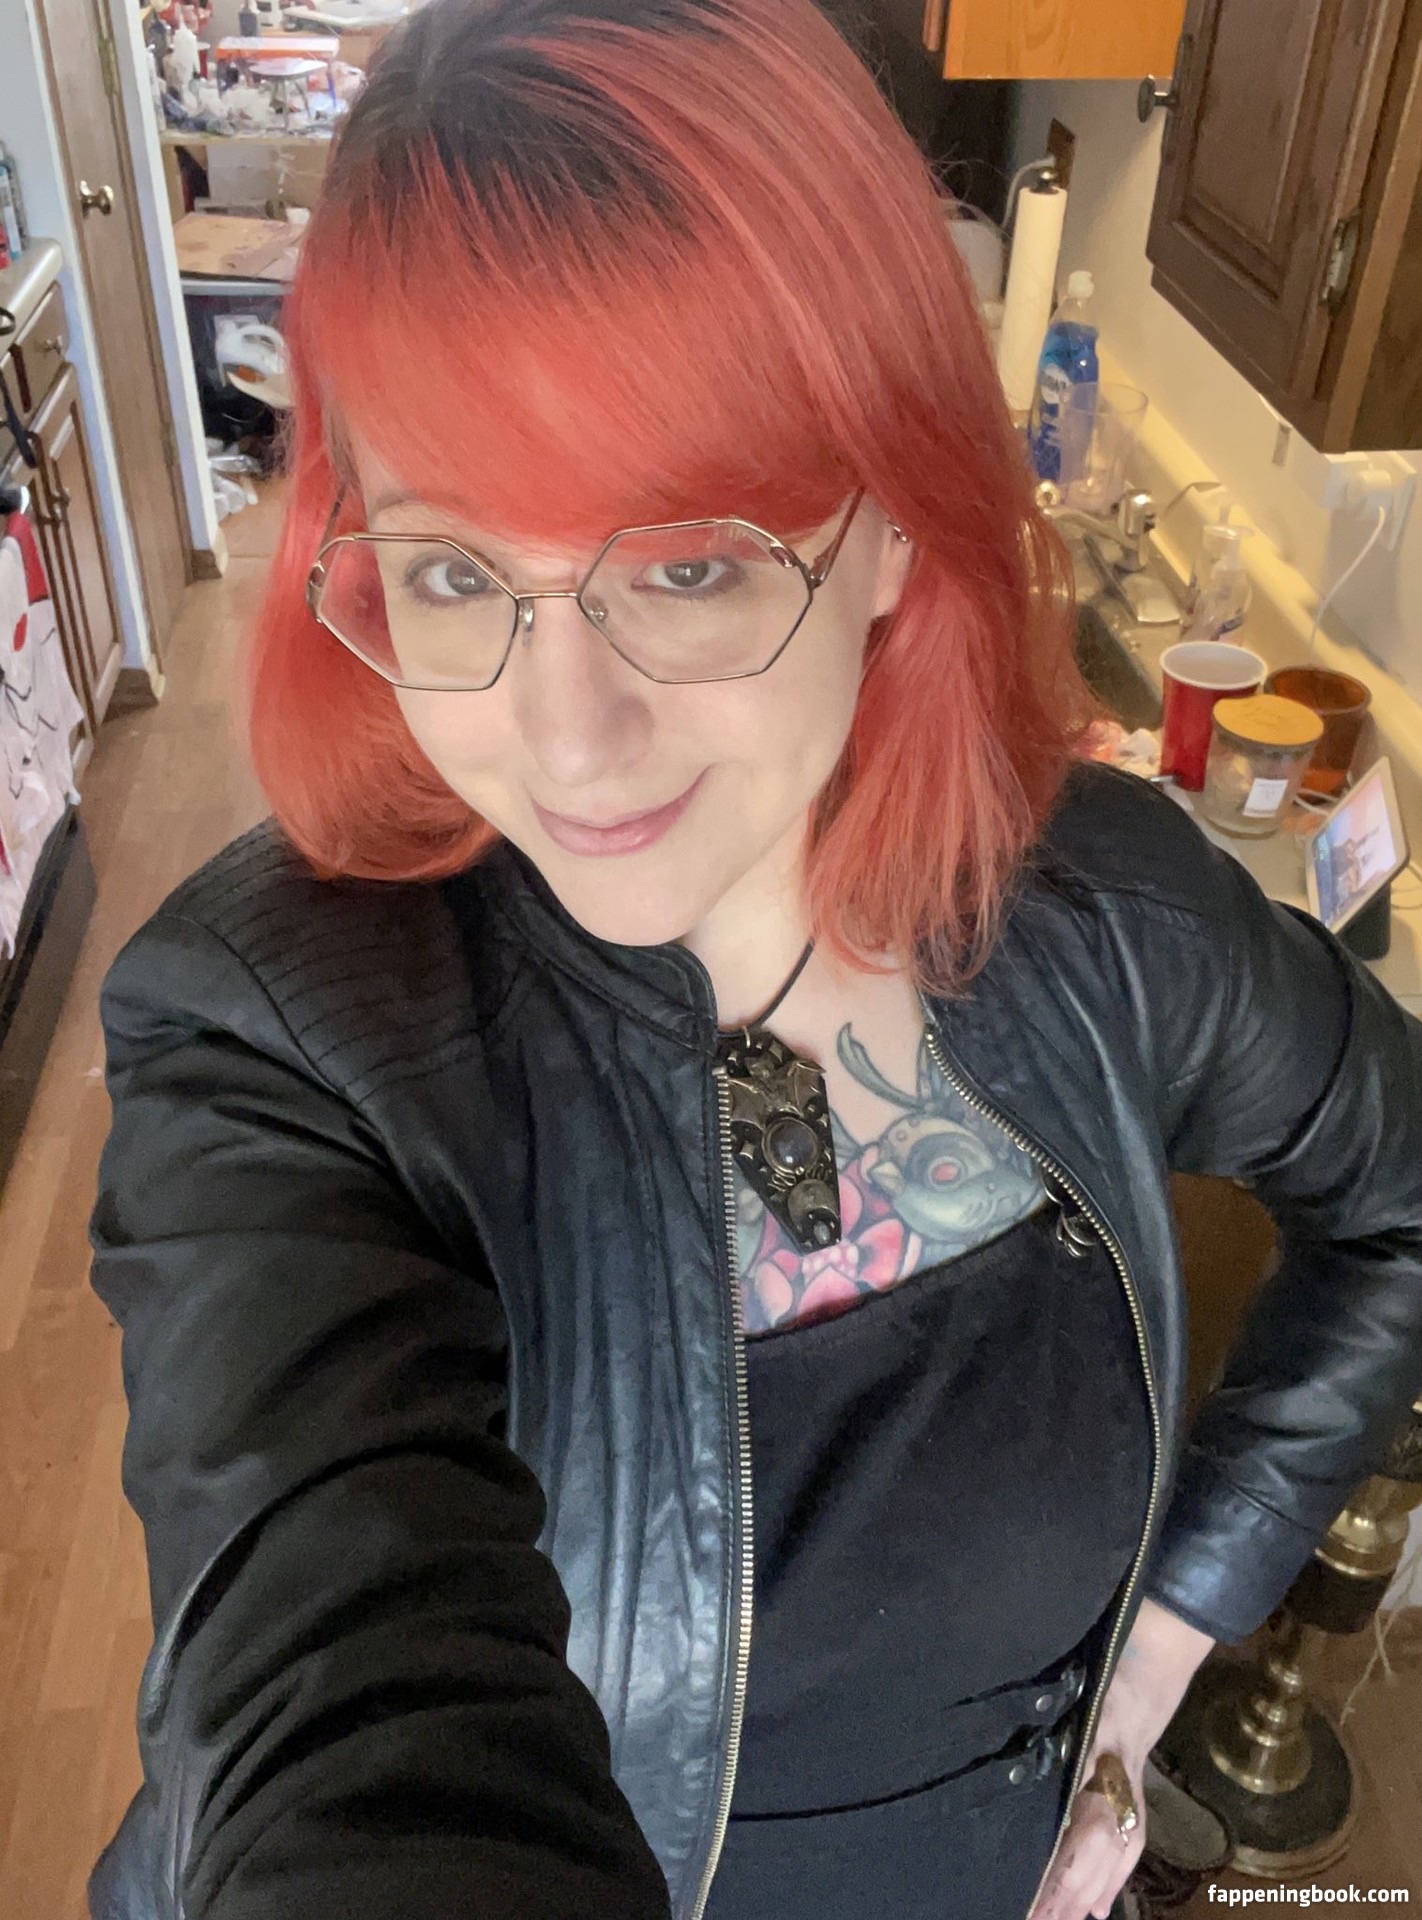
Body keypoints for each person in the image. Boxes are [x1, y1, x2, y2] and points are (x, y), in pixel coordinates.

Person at [87, 1, 1422, 1916]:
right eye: (454, 570)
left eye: (688, 564)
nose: (566, 742)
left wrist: (1163, 1644)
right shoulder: (282, 1040)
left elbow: (1397, 1198)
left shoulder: (1105, 920)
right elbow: (327, 1688)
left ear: (896, 529)